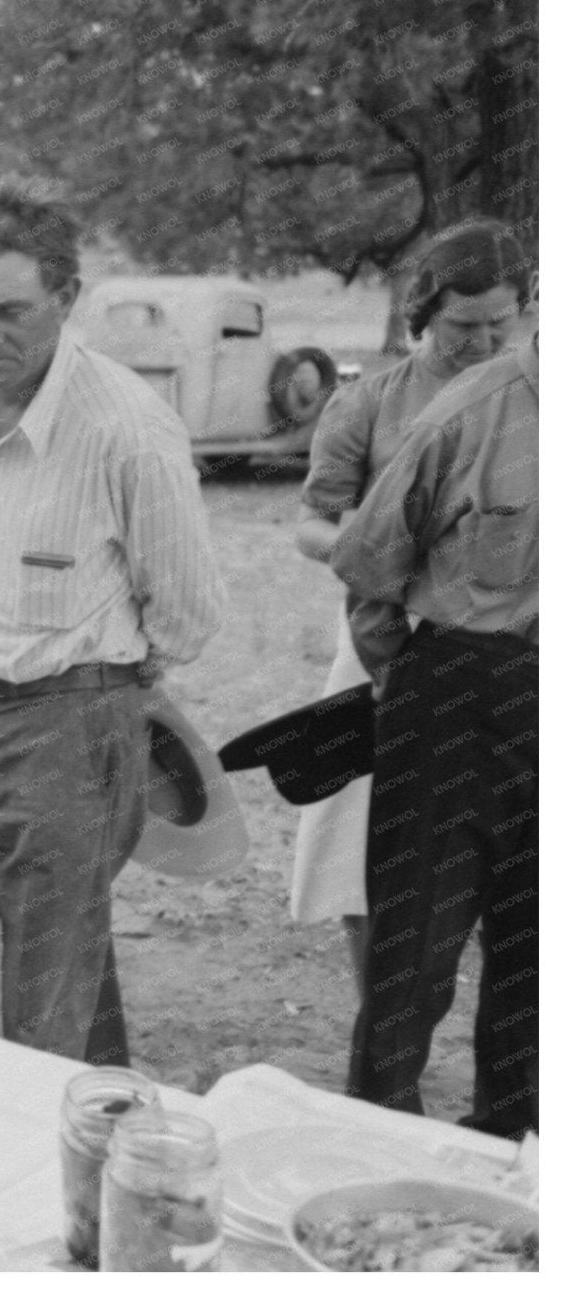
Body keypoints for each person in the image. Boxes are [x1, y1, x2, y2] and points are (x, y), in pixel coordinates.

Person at [0, 176, 222, 1065]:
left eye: (12, 312)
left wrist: (100, 677)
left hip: (68, 729)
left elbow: (188, 615)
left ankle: (41, 1192)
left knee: (49, 1012)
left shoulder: (130, 428)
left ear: (67, 298)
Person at [288, 219, 531, 985]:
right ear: (424, 312)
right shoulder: (370, 403)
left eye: (502, 322)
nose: (485, 341)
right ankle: (380, 1032)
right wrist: (389, 555)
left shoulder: (536, 398)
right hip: (377, 647)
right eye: (464, 325)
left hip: (505, 657)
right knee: (364, 852)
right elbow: (310, 521)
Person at [330, 280, 537, 1142]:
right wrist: (410, 684)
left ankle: (517, 1154)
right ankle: (376, 1148)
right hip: (460, 692)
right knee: (414, 953)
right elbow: (370, 564)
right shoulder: (471, 410)